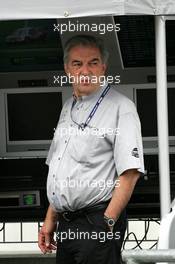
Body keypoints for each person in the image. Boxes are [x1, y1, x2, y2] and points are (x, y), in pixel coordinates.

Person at [38, 35, 144, 264]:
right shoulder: (68, 107)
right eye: (77, 64)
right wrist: (50, 219)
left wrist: (108, 222)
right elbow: (60, 169)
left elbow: (130, 172)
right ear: (67, 69)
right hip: (67, 225)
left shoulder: (121, 107)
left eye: (93, 62)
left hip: (97, 223)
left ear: (103, 67)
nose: (85, 70)